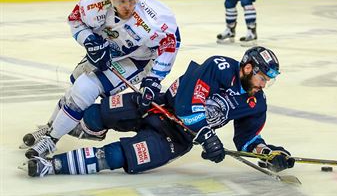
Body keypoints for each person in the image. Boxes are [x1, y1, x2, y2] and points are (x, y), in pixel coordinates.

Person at [23, 46, 295, 178]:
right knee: (96, 114)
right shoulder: (220, 67)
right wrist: (206, 134)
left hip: (175, 138)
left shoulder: (256, 103)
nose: (264, 84)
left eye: (268, 79)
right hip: (158, 105)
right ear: (248, 68)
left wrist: (268, 154)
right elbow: (189, 101)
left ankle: (54, 165)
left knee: (119, 155)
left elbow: (247, 140)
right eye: (262, 77)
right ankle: (50, 133)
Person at [22, 0, 181, 160]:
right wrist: (90, 41)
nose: (128, 6)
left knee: (84, 88)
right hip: (108, 49)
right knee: (74, 85)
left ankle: (51, 140)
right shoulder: (94, 2)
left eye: (132, 0)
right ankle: (50, 127)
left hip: (137, 60)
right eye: (122, 1)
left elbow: (170, 44)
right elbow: (75, 21)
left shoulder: (155, 16)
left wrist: (154, 78)